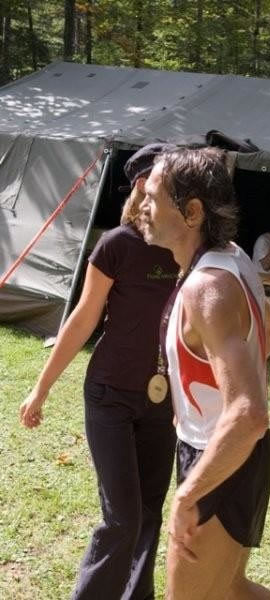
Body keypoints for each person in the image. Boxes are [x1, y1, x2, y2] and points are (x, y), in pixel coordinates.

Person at [19, 144, 179, 600]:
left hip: (164, 398)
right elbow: (83, 318)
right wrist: (41, 389)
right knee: (122, 518)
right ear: (144, 185)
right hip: (110, 393)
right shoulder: (117, 245)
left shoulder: (188, 248)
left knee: (150, 513)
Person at [140, 146, 270, 600]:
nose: (141, 205)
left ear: (192, 212)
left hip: (219, 458)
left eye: (152, 196)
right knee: (233, 590)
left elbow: (249, 414)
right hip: (237, 455)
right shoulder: (231, 258)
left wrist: (187, 496)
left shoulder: (207, 287)